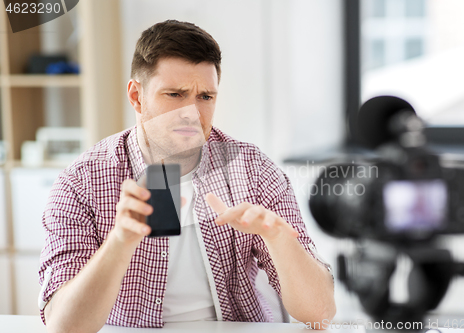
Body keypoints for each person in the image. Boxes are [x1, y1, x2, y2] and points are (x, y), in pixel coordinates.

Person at [38, 20, 336, 332]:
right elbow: (63, 326)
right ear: (137, 97)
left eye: (205, 97)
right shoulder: (81, 181)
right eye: (175, 94)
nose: (191, 112)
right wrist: (120, 241)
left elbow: (320, 314)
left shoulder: (253, 169)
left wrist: (277, 238)